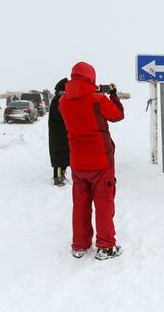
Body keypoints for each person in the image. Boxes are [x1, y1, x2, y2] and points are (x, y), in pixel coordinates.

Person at [59, 61, 124, 260]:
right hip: (101, 162)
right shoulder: (98, 99)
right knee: (104, 204)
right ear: (91, 79)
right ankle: (105, 246)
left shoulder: (63, 102)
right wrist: (113, 94)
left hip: (78, 162)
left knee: (80, 205)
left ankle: (80, 244)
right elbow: (117, 115)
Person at [48, 78, 70, 187]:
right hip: (58, 134)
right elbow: (58, 116)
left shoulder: (60, 99)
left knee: (63, 155)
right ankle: (58, 178)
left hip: (61, 133)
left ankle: (61, 175)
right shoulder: (58, 100)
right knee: (59, 157)